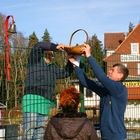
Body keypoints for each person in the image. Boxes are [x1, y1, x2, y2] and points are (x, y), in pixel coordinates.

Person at [68, 44, 129, 140]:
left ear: (120, 75)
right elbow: (86, 83)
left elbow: (101, 77)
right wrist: (75, 65)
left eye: (112, 70)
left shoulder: (119, 89)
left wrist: (89, 56)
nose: (109, 71)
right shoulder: (107, 91)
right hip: (105, 136)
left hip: (117, 137)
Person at [22, 41, 73, 140]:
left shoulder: (53, 68)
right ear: (44, 52)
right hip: (31, 102)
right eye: (49, 52)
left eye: (52, 55)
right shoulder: (34, 60)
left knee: (40, 135)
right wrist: (55, 47)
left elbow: (66, 73)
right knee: (28, 133)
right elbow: (37, 45)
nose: (50, 55)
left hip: (45, 104)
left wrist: (70, 60)